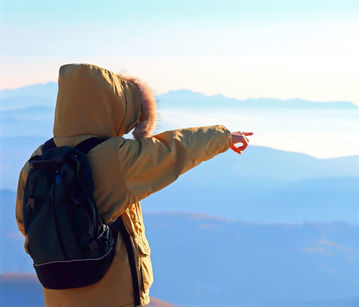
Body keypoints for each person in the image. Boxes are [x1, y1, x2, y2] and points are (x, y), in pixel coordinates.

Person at [15, 63, 253, 307]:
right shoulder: (115, 158)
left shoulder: (38, 160)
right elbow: (173, 151)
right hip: (113, 296)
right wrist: (224, 137)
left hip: (58, 295)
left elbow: (27, 223)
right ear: (110, 106)